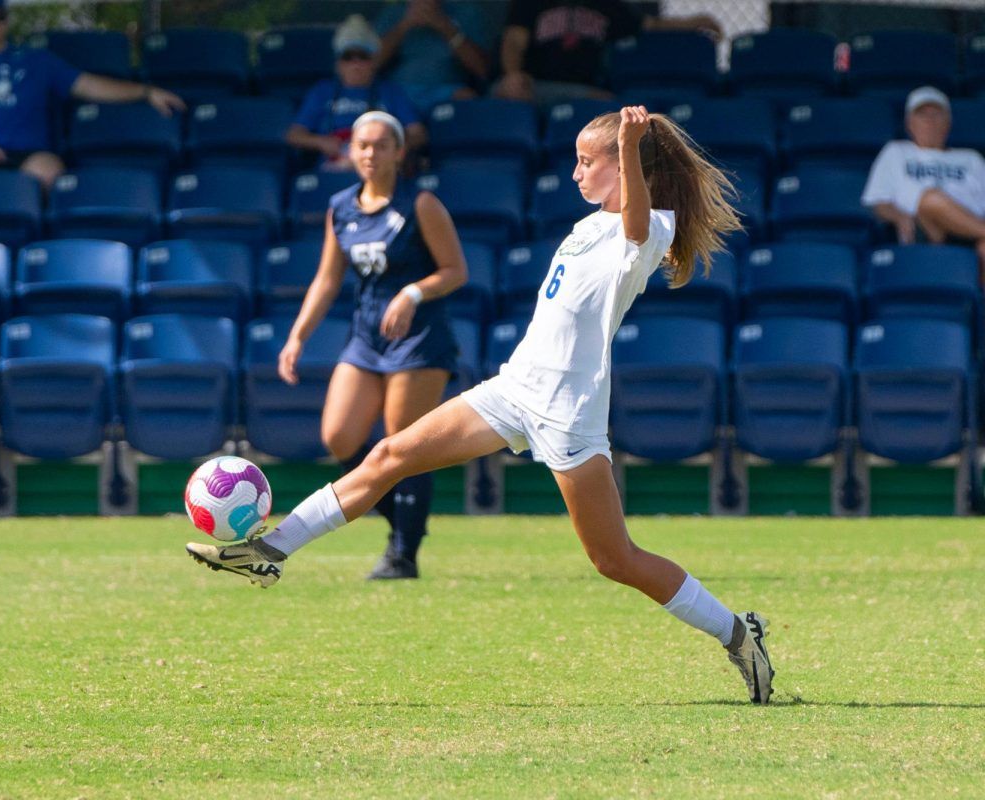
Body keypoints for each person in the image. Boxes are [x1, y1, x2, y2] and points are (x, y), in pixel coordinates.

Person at [188, 105, 776, 705]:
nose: (574, 172)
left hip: (567, 414)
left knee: (613, 558)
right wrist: (620, 155)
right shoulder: (588, 225)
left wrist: (627, 146)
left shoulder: (652, 226)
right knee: (389, 453)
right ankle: (267, 552)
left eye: (586, 161)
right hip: (514, 388)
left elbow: (635, 226)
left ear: (626, 169)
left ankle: (738, 633)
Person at [278, 110, 467, 579]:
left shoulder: (420, 203)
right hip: (366, 337)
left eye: (381, 145)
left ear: (399, 152)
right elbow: (327, 280)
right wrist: (297, 336)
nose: (370, 153)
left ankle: (404, 552)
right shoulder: (340, 206)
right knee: (338, 436)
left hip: (420, 337)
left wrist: (412, 292)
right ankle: (398, 523)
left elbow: (456, 271)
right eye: (362, 144)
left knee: (402, 443)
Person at [0, 0, 185, 190]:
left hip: (29, 154)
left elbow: (88, 85)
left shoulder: (38, 61)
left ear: (7, 19)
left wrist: (145, 92)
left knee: (50, 172)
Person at [494, 0, 722, 107]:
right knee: (503, 94)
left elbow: (650, 25)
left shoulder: (606, 5)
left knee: (614, 107)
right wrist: (512, 74)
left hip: (586, 90)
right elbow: (513, 40)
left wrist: (694, 22)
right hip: (536, 86)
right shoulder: (530, 4)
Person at [862, 85, 985, 282]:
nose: (930, 121)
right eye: (922, 115)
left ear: (948, 123)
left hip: (969, 232)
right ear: (909, 123)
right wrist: (899, 216)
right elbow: (877, 201)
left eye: (937, 114)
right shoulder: (896, 152)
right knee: (930, 198)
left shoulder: (971, 158)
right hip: (923, 231)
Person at [287, 15, 427, 172]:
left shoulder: (392, 91)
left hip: (379, 168)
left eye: (363, 56)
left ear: (374, 61)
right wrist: (320, 142)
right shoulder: (321, 91)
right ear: (338, 64)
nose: (356, 64)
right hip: (333, 169)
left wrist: (395, 149)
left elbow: (418, 133)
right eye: (348, 57)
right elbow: (294, 135)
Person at [373, 0, 492, 113]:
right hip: (398, 91)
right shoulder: (393, 13)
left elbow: (482, 69)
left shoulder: (465, 12)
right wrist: (404, 25)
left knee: (468, 99)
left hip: (447, 91)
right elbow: (372, 63)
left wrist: (444, 26)